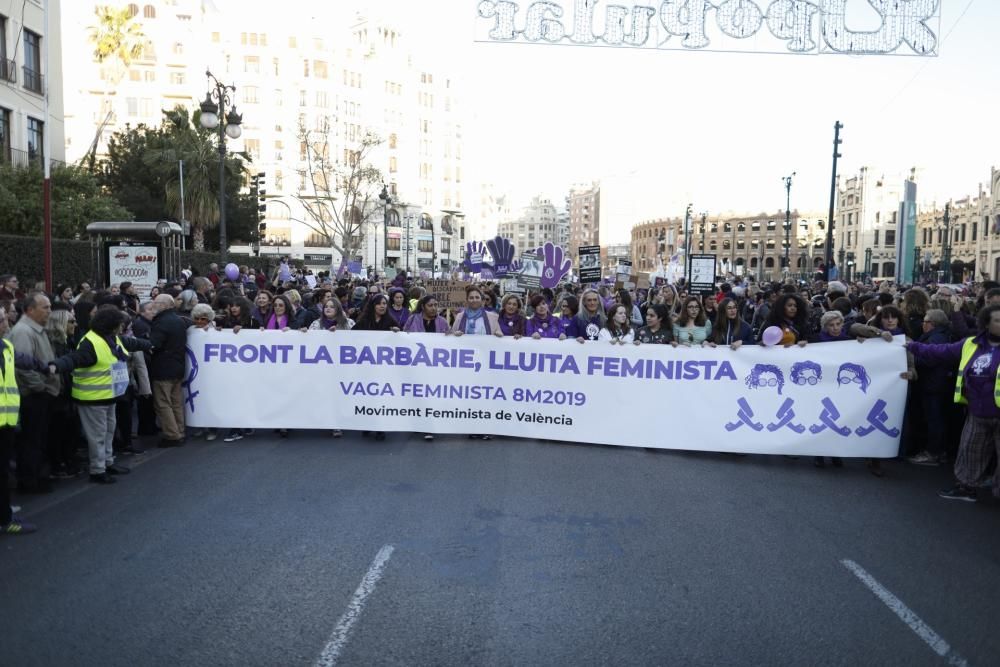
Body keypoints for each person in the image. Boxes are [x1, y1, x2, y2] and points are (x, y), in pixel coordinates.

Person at [907, 304, 1000, 502]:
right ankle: (966, 487)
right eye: (998, 320)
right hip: (977, 411)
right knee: (970, 451)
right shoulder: (969, 344)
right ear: (986, 324)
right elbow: (940, 352)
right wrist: (912, 345)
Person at [59, 308, 152, 484]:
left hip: (107, 395)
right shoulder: (90, 342)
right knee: (98, 436)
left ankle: (107, 463)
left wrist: (151, 344)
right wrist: (55, 365)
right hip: (92, 398)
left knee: (108, 432)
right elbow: (74, 359)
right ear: (111, 325)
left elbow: (132, 343)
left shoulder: (111, 338)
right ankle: (97, 470)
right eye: (119, 323)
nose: (122, 326)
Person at [0, 302, 54, 534]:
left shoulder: (5, 345)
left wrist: (45, 367)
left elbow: (23, 360)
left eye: (4, 318)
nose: (6, 322)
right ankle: (5, 521)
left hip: (6, 422)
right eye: (2, 319)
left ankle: (5, 516)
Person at [8, 293, 60, 493]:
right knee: (31, 440)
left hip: (41, 393)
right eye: (45, 307)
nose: (49, 311)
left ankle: (38, 476)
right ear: (30, 310)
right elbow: (24, 367)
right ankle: (30, 481)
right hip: (33, 396)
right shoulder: (23, 332)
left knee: (38, 439)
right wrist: (40, 388)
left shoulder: (36, 329)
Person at [450, 286, 501, 440]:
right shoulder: (460, 317)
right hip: (466, 363)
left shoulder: (492, 317)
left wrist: (499, 335)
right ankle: (472, 426)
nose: (474, 300)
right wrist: (455, 334)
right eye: (471, 298)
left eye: (477, 297)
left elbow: (499, 335)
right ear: (467, 300)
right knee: (469, 396)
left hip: (486, 362)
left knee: (486, 396)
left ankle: (486, 427)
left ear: (482, 300)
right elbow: (451, 336)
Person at [906, 309, 955, 467]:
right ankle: (938, 451)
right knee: (937, 419)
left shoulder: (936, 338)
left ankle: (934, 453)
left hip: (933, 385)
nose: (923, 324)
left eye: (925, 321)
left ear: (932, 324)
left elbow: (930, 360)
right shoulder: (941, 335)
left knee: (934, 420)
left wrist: (912, 359)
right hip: (937, 384)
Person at [149, 294, 188, 447]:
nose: (153, 305)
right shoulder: (179, 320)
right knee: (176, 402)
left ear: (164, 305)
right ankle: (179, 430)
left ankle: (172, 435)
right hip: (177, 366)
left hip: (163, 367)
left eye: (156, 302)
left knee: (163, 403)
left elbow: (155, 344)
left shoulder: (161, 322)